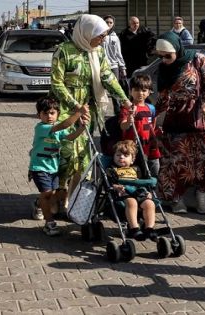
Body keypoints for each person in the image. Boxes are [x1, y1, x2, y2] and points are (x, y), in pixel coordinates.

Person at [50, 14, 131, 212]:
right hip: (66, 112)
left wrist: (125, 99)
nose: (103, 40)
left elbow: (108, 78)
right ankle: (53, 199)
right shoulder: (64, 51)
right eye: (100, 36)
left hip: (88, 112)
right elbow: (56, 83)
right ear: (86, 33)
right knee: (67, 156)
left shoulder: (98, 52)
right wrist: (75, 105)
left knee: (84, 160)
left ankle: (72, 200)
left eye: (104, 36)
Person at [154, 31, 205, 214]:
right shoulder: (164, 68)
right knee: (175, 161)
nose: (165, 60)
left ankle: (201, 194)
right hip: (176, 120)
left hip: (202, 118)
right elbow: (163, 97)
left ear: (177, 49)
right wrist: (151, 115)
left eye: (168, 55)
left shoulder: (198, 59)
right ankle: (176, 199)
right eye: (161, 56)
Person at [28, 97, 90, 235]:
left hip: (53, 168)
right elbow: (63, 125)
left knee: (52, 194)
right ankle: (49, 223)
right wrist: (79, 112)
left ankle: (38, 204)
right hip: (39, 167)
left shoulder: (58, 129)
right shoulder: (42, 128)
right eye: (45, 113)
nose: (49, 116)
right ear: (39, 115)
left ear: (57, 114)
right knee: (47, 194)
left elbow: (70, 137)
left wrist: (82, 128)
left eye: (52, 113)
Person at [106, 140, 158, 241]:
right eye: (118, 155)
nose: (121, 157)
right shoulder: (112, 169)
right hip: (123, 194)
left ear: (132, 160)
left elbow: (142, 182)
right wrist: (116, 187)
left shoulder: (136, 169)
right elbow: (109, 183)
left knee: (150, 204)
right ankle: (134, 228)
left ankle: (149, 229)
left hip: (139, 192)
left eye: (125, 155)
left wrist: (148, 192)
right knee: (132, 202)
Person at [119, 74, 161, 177]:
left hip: (149, 147)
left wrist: (156, 134)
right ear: (130, 91)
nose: (140, 93)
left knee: (153, 173)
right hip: (132, 148)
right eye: (136, 90)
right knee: (133, 174)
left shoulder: (150, 108)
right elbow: (123, 126)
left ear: (149, 92)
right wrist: (129, 120)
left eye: (144, 90)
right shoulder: (127, 108)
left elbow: (152, 125)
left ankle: (148, 191)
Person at [102, 15, 128, 115]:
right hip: (101, 66)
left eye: (110, 22)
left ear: (113, 24)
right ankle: (100, 113)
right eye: (106, 22)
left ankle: (118, 113)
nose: (108, 24)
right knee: (100, 91)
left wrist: (123, 67)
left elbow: (118, 53)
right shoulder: (98, 35)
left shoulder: (115, 38)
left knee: (115, 90)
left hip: (113, 67)